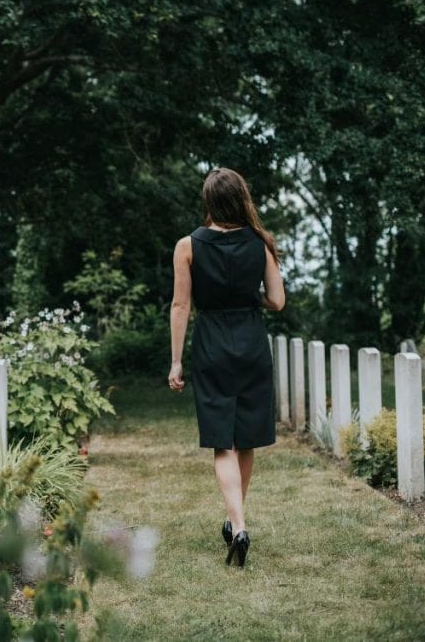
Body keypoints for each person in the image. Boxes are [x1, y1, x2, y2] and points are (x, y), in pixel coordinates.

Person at [167, 167, 285, 568]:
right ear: (241, 198)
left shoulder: (187, 246)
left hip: (212, 344)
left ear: (209, 201)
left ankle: (238, 526)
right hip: (252, 342)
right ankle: (236, 522)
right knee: (246, 437)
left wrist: (176, 360)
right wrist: (250, 296)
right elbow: (278, 301)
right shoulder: (261, 243)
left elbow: (181, 305)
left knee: (223, 439)